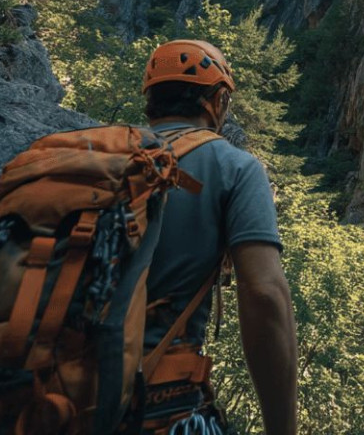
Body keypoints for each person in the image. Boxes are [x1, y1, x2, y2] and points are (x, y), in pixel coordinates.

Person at [138, 39, 298, 435]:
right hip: (158, 404)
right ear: (218, 102)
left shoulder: (102, 155)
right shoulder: (235, 166)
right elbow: (264, 294)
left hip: (46, 394)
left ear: (151, 101)